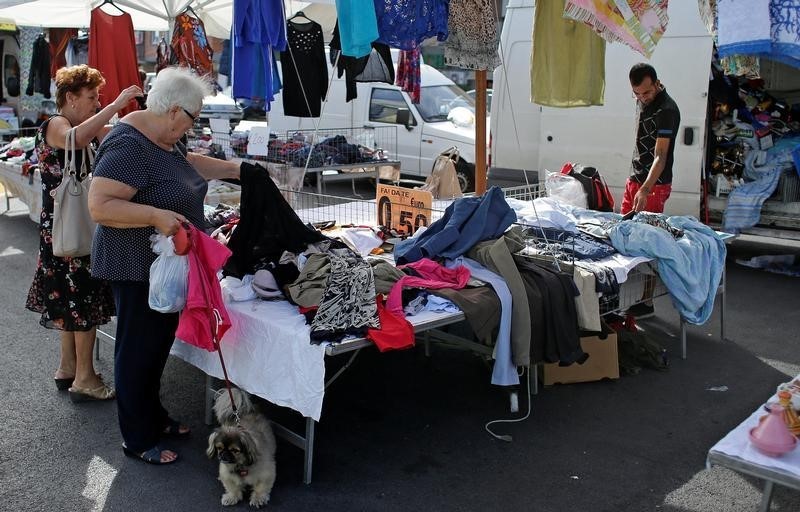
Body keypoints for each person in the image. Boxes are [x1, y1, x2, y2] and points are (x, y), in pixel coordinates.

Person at [88, 66, 241, 465]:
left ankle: (154, 416)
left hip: (162, 265)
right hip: (136, 265)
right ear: (175, 110)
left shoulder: (162, 137)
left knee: (155, 349)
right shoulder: (129, 143)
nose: (191, 126)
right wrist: (157, 216)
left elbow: (183, 164)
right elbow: (100, 205)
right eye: (192, 118)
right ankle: (137, 439)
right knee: (137, 352)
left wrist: (233, 170)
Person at [25, 65, 142, 403]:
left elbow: (110, 133)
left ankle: (68, 368)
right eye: (92, 97)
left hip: (62, 229)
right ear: (71, 98)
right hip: (71, 229)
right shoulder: (57, 125)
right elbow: (78, 139)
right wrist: (117, 103)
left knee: (67, 299)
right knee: (82, 302)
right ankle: (86, 379)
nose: (96, 103)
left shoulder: (77, 125)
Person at [622, 63, 681, 318]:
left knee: (648, 244)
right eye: (637, 94)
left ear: (657, 83)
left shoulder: (666, 110)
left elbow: (661, 155)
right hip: (635, 178)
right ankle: (618, 297)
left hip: (654, 185)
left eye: (646, 93)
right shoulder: (642, 100)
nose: (642, 98)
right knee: (622, 236)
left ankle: (646, 301)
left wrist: (645, 189)